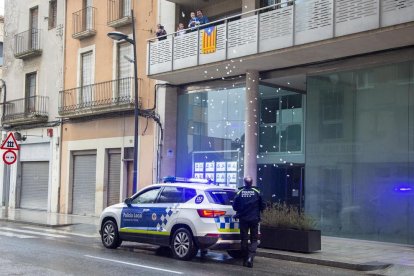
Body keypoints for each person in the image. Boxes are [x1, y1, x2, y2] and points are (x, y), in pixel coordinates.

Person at [232, 176, 265, 268]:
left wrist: (240, 210)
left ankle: (245, 259)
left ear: (244, 183)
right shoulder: (257, 192)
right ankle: (250, 257)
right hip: (254, 219)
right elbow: (263, 205)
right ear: (251, 183)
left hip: (243, 219)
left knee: (244, 239)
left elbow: (234, 206)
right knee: (254, 239)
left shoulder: (240, 192)